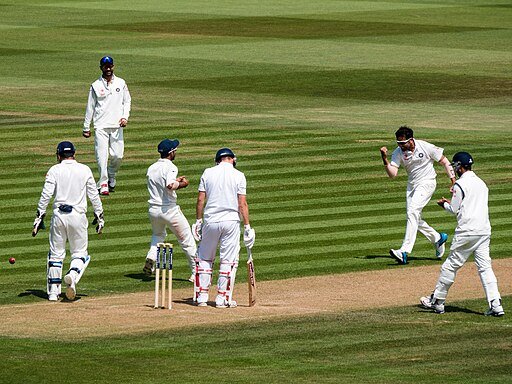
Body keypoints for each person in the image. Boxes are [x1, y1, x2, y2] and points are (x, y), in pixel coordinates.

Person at [420, 152, 504, 316]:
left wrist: (444, 204)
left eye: (455, 165)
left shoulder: (460, 185)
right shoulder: (482, 183)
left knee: (450, 266)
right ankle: (496, 304)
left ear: (459, 166)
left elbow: (454, 209)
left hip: (467, 231)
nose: (454, 167)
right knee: (485, 268)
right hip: (483, 231)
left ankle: (437, 302)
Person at [32, 141, 104, 301]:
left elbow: (46, 195)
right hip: (78, 217)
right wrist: (99, 216)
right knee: (80, 254)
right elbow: (93, 195)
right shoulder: (84, 169)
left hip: (58, 216)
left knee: (56, 255)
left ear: (58, 155)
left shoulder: (54, 170)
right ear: (74, 154)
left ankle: (52, 293)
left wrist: (39, 216)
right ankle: (72, 274)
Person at [380, 126, 456, 264]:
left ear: (411, 140)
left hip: (427, 183)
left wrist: (453, 182)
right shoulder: (398, 152)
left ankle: (404, 251)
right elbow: (393, 174)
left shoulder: (425, 146)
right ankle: (437, 238)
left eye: (403, 143)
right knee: (413, 216)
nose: (400, 146)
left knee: (412, 212)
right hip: (412, 186)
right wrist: (384, 159)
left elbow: (445, 161)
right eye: (398, 143)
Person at [192, 148, 255, 308]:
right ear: (232, 159)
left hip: (210, 220)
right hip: (231, 221)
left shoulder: (207, 172)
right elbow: (242, 203)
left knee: (205, 258)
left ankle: (202, 297)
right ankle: (222, 299)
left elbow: (200, 200)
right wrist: (247, 226)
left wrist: (198, 221)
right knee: (228, 260)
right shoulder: (239, 175)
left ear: (217, 160)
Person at [142, 139, 197, 281]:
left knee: (158, 235)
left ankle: (151, 256)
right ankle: (196, 272)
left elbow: (161, 183)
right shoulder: (171, 167)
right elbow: (170, 185)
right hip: (169, 210)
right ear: (171, 152)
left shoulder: (152, 167)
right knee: (187, 240)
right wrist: (183, 183)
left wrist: (175, 180)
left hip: (154, 210)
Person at [83, 55, 131, 196]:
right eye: (105, 66)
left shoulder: (121, 83)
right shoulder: (95, 85)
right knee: (101, 155)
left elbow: (127, 101)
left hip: (117, 125)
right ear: (101, 68)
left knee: (118, 155)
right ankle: (103, 183)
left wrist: (124, 117)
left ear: (113, 66)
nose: (108, 68)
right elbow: (90, 107)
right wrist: (86, 127)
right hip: (101, 125)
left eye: (110, 66)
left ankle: (111, 174)